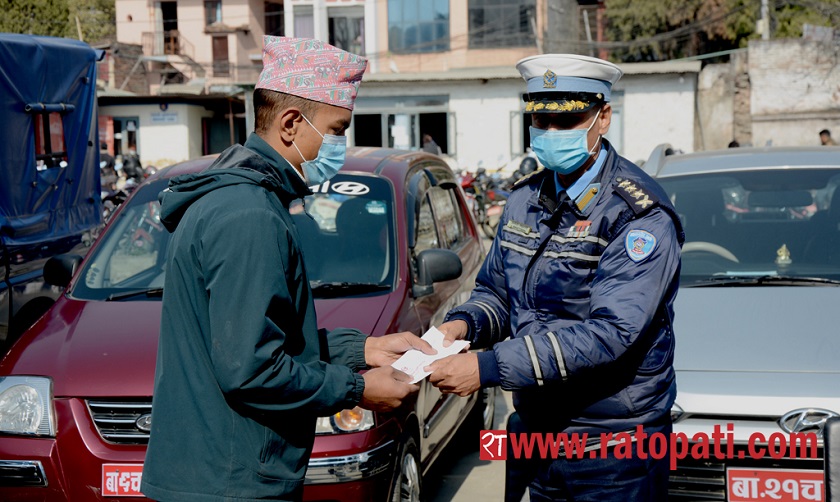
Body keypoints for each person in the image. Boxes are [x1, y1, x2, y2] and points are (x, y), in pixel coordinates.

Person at [141, 36, 432, 502]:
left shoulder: (247, 201)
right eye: (337, 129)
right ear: (292, 124)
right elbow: (252, 368)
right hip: (229, 483)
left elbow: (260, 339)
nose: (340, 144)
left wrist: (366, 348)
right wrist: (356, 389)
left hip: (219, 475)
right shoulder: (248, 215)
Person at [425, 54, 685, 501]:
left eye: (566, 121)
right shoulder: (525, 199)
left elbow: (611, 332)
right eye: (541, 119)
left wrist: (489, 367)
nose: (550, 133)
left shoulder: (637, 215)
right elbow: (498, 292)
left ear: (602, 117)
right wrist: (462, 326)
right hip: (536, 430)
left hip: (612, 442)